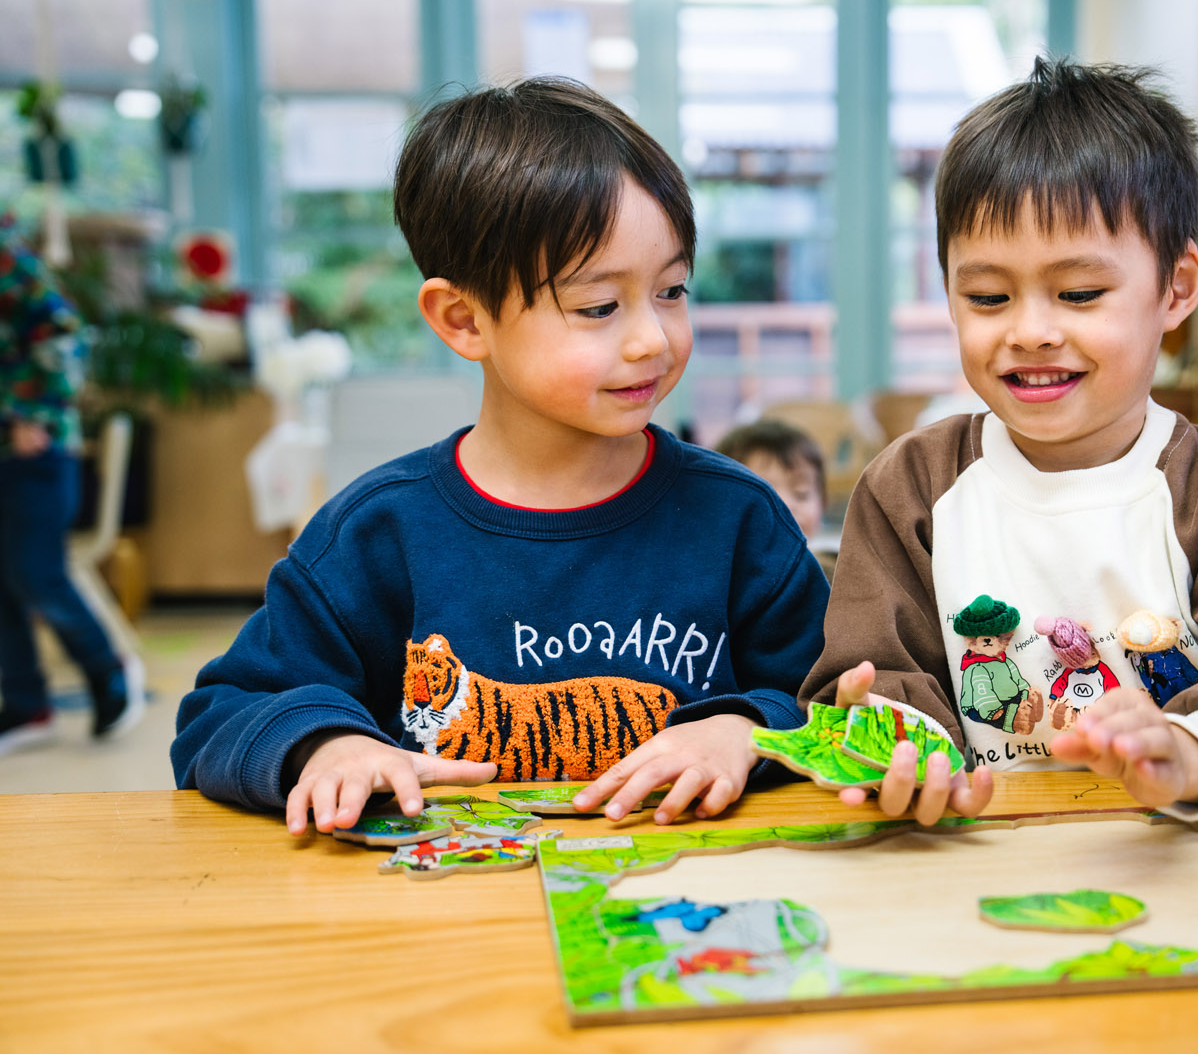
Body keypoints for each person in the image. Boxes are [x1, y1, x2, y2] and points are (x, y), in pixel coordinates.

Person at [172, 78, 829, 834]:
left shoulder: (738, 519)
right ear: (463, 320)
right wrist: (325, 746)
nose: (653, 337)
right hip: (445, 919)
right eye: (598, 307)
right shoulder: (375, 535)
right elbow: (219, 717)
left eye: (673, 290)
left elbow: (828, 702)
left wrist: (744, 731)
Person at [799, 59, 1198, 826]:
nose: (1032, 331)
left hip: (1180, 857)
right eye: (987, 297)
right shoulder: (911, 488)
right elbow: (876, 676)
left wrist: (1192, 751)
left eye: (1078, 294)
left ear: (1176, 288)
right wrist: (902, 751)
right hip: (977, 849)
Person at [0, 211, 143, 754]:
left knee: (37, 573)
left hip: (35, 448)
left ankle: (109, 672)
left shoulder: (7, 258)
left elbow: (62, 331)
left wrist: (31, 411)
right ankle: (25, 704)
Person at [715, 418, 834, 580]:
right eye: (765, 496)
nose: (786, 506)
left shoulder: (832, 573)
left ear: (823, 503)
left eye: (802, 493)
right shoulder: (721, 579)